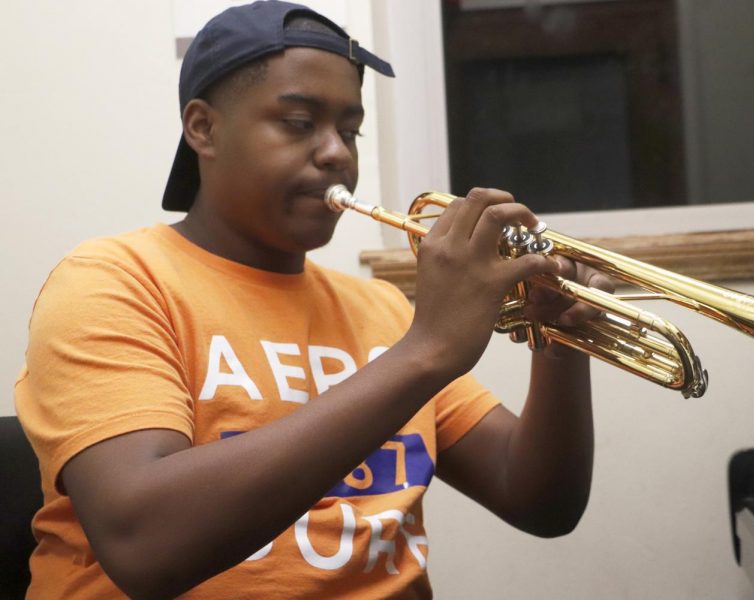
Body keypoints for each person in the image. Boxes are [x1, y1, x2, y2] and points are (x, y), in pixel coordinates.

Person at [15, 2, 609, 598]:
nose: (337, 154)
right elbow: (145, 546)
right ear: (204, 128)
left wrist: (559, 346)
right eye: (299, 122)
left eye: (350, 130)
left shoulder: (381, 310)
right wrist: (428, 349)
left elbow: (539, 503)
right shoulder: (112, 281)